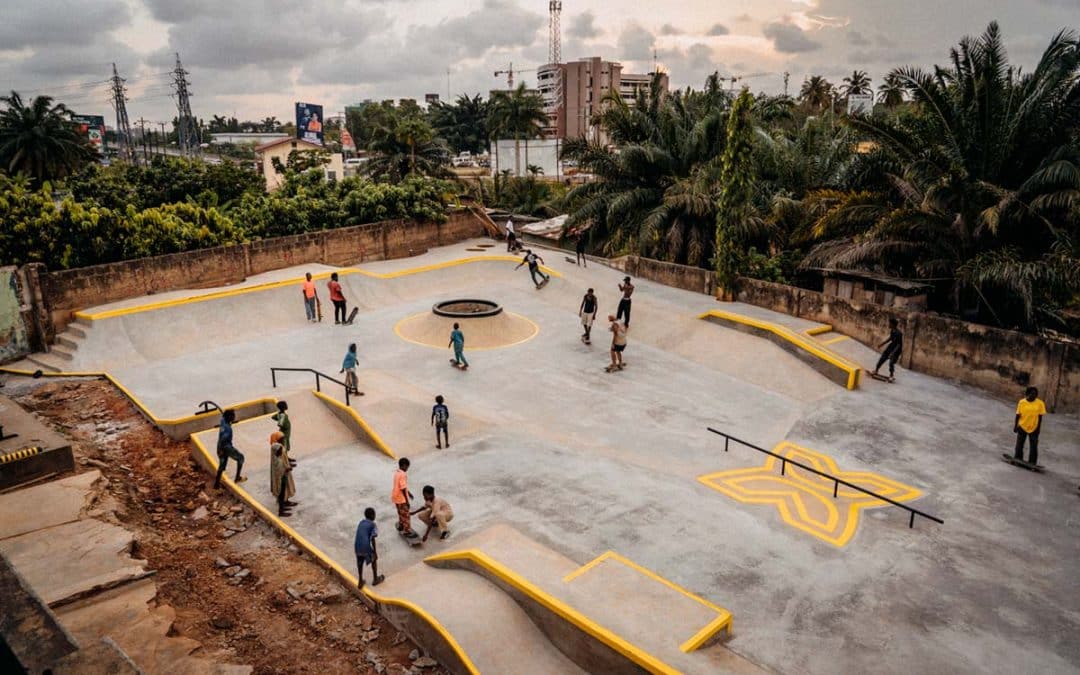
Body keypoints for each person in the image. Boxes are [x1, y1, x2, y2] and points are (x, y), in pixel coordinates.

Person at [1013, 386, 1047, 466]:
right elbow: (1018, 415)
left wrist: (1038, 428)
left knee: (1034, 446)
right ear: (1027, 394)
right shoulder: (1022, 402)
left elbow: (1040, 417)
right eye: (1032, 394)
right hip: (1022, 426)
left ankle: (1032, 462)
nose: (1034, 395)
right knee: (1019, 444)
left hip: (1034, 427)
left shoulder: (1040, 403)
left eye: (1036, 394)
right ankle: (1018, 458)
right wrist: (1015, 426)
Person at [214, 409, 246, 488]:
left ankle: (216, 484)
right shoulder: (228, 429)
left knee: (222, 464)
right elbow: (223, 439)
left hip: (219, 446)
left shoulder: (223, 421)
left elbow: (223, 417)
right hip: (226, 447)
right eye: (233, 416)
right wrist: (222, 449)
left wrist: (220, 449)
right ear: (229, 417)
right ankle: (237, 478)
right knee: (241, 458)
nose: (234, 417)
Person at [354, 507, 385, 588]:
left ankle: (360, 580)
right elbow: (373, 539)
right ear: (372, 515)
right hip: (365, 545)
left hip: (357, 545)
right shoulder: (372, 524)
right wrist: (375, 552)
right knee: (374, 559)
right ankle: (375, 579)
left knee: (360, 561)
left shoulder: (361, 522)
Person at [270, 432, 296, 517]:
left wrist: (288, 465)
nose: (283, 440)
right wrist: (287, 468)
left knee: (286, 488)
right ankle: (281, 511)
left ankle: (286, 502)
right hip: (281, 475)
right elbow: (279, 465)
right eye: (281, 439)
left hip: (285, 472)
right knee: (281, 491)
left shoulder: (279, 448)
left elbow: (284, 457)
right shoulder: (277, 449)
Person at [392, 458, 418, 538]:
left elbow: (402, 486)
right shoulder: (403, 474)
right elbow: (403, 488)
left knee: (400, 513)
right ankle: (407, 531)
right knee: (406, 515)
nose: (407, 469)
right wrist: (407, 501)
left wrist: (409, 493)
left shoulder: (397, 473)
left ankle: (401, 525)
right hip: (401, 499)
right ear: (404, 465)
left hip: (396, 497)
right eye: (407, 467)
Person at [271, 401, 295, 467]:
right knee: (285, 447)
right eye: (285, 405)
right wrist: (282, 423)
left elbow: (273, 417)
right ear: (283, 407)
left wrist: (278, 418)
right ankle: (286, 462)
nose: (287, 405)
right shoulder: (283, 415)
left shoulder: (280, 414)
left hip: (284, 433)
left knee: (285, 446)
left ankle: (287, 458)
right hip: (284, 434)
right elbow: (280, 424)